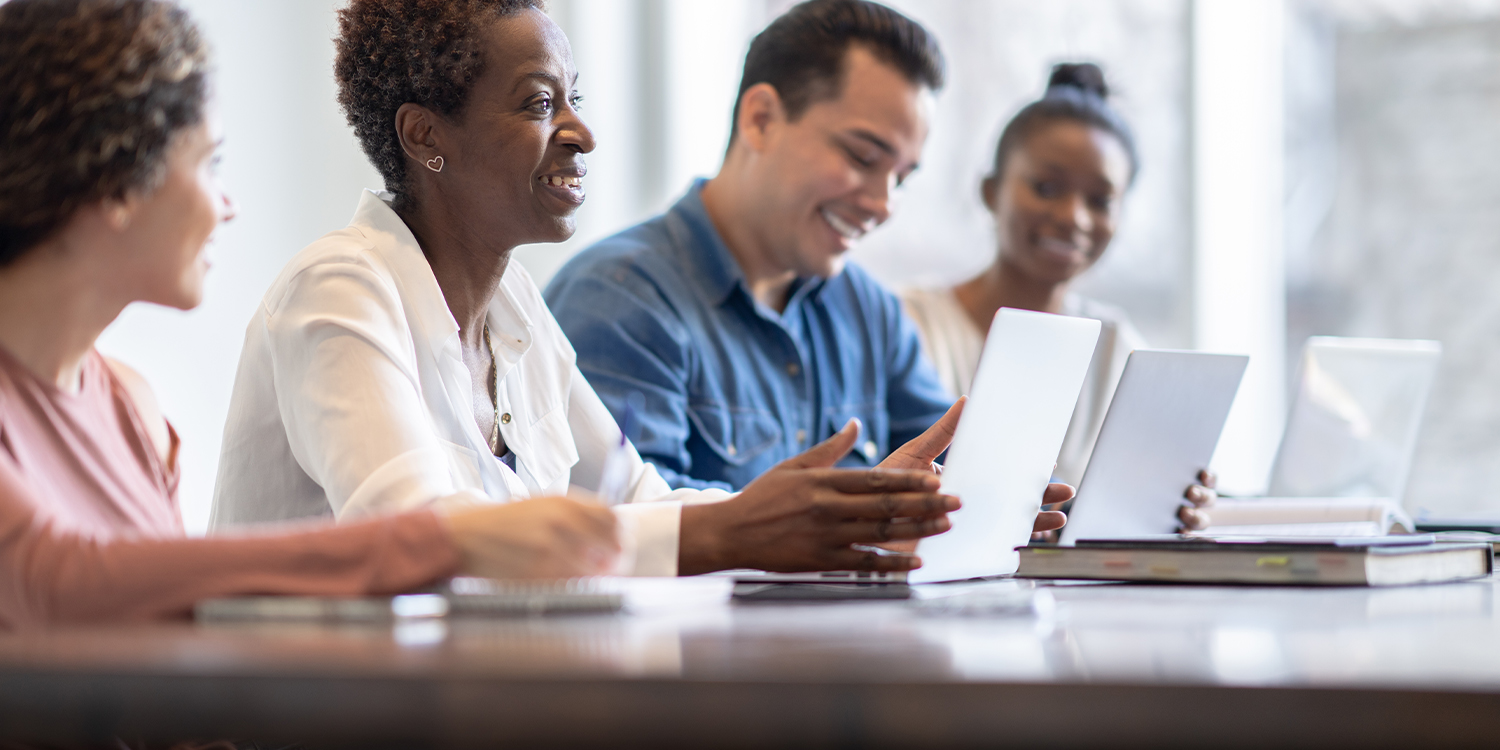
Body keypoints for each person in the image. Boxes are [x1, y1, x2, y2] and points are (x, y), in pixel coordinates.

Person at [210, 0, 1020, 577]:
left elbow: (634, 499)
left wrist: (838, 512)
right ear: (426, 136)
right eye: (538, 102)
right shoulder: (340, 289)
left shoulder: (515, 311)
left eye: (574, 99)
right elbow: (425, 547)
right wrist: (737, 530)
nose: (581, 132)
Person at [0, 0, 633, 628]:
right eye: (209, 163)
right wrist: (449, 540)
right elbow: (57, 579)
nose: (228, 205)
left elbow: (169, 673)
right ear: (115, 183)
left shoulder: (131, 410)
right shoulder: (337, 286)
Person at [544, 0, 957, 493]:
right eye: (863, 157)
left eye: (901, 179)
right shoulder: (618, 297)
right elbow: (630, 522)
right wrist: (845, 520)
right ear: (760, 119)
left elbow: (963, 458)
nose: (884, 204)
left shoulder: (869, 311)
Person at [900, 63, 1215, 516]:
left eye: (1100, 200)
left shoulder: (1117, 350)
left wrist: (1184, 503)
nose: (1074, 217)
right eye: (1047, 188)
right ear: (991, 192)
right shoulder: (908, 325)